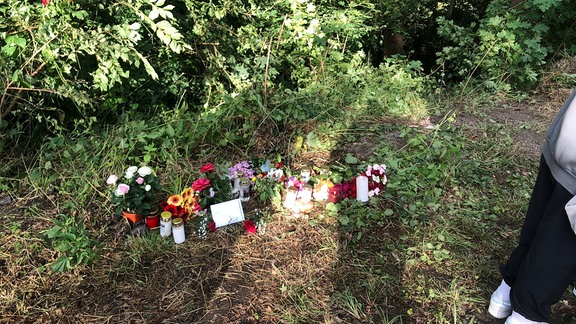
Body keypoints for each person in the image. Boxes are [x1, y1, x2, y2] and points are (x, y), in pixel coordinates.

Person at [488, 88, 576, 323]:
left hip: (567, 134)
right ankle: (526, 313)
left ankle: (508, 289)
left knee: (543, 216)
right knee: (563, 238)